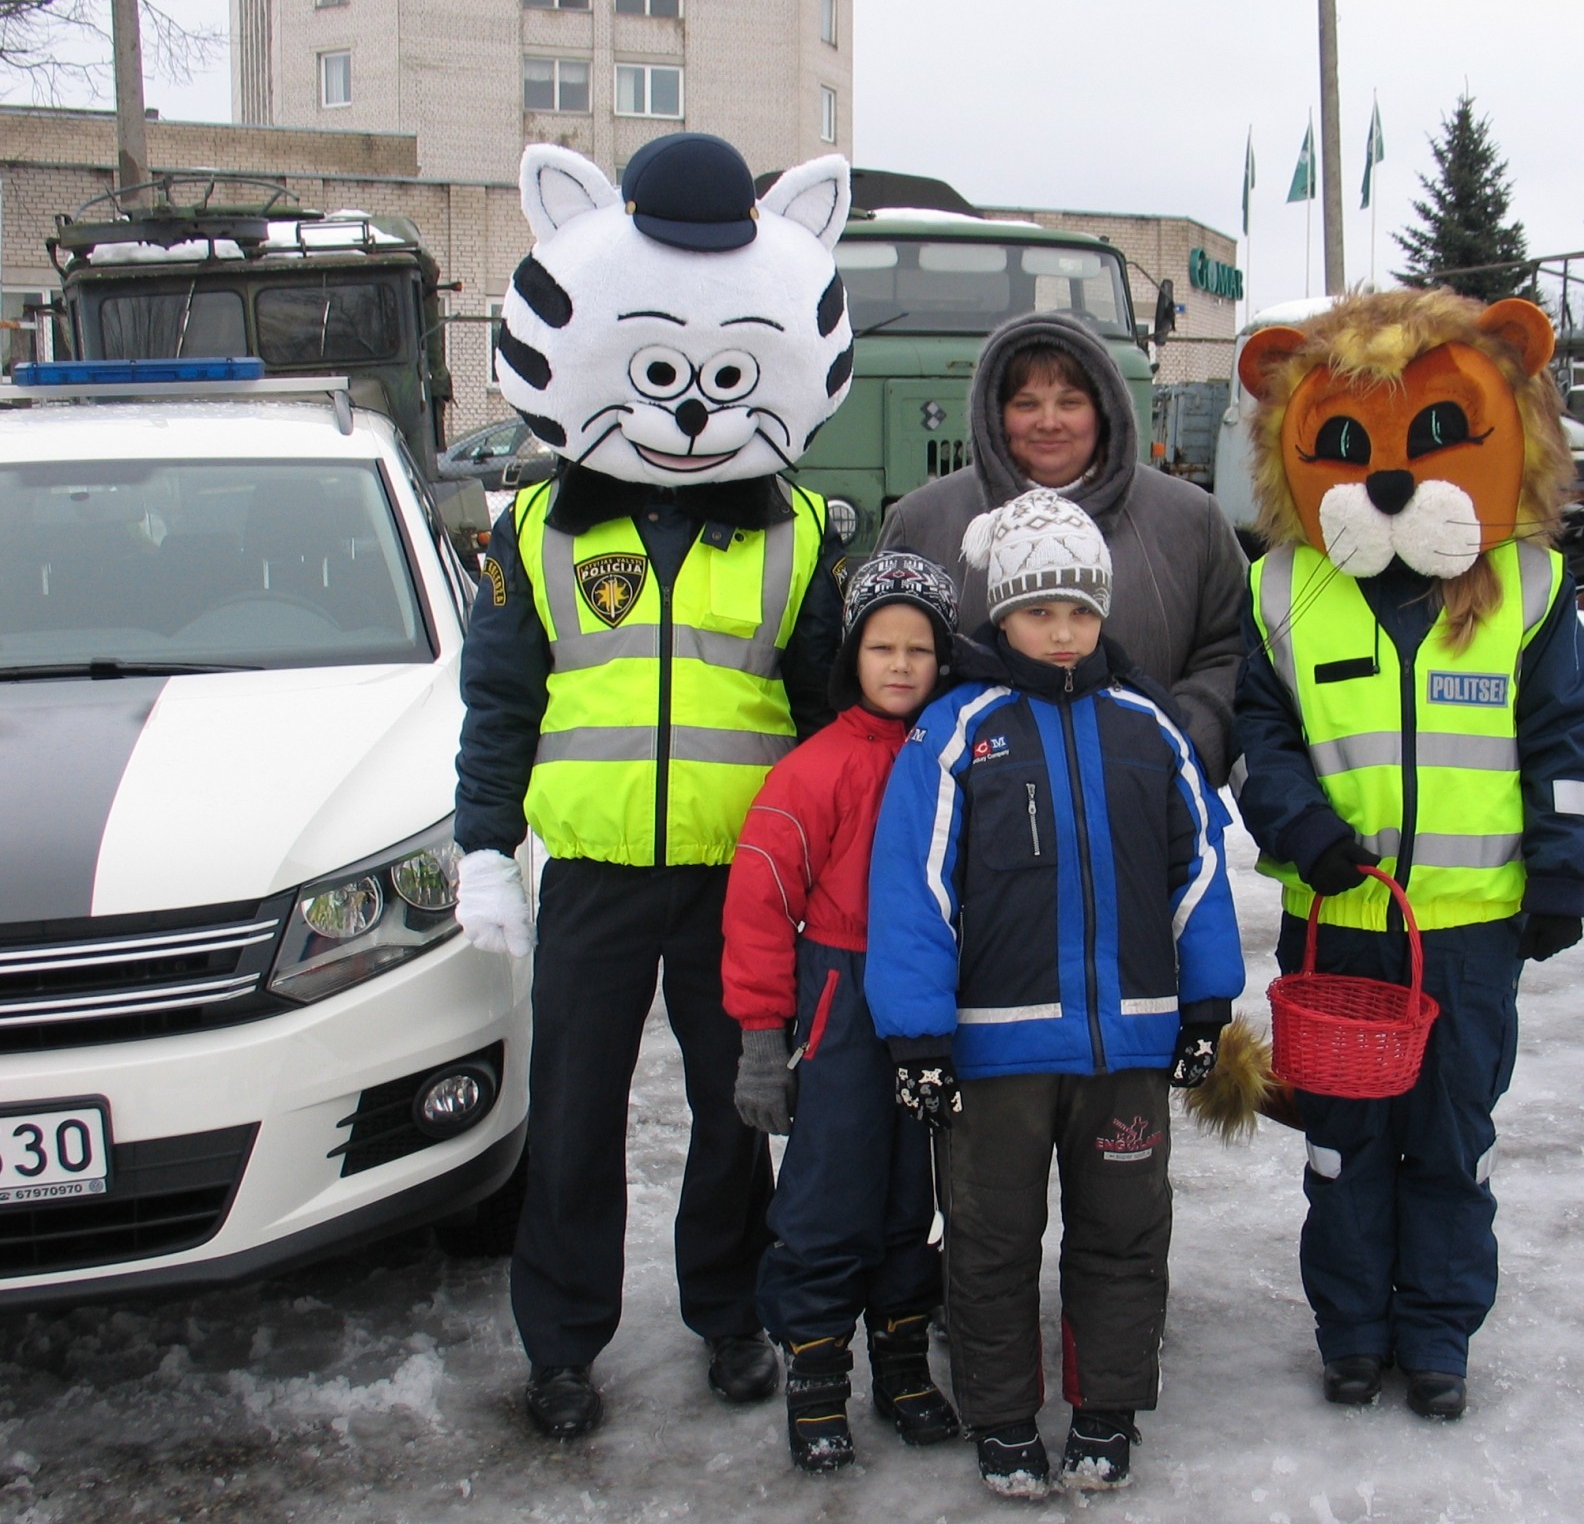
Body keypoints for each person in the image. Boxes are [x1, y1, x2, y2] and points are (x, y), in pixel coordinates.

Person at [453, 132, 855, 1439]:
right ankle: (563, 1346)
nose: (687, 407)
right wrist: (480, 852)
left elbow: (829, 720)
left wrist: (831, 875)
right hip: (595, 886)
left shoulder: (794, 532)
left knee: (737, 1114)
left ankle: (728, 1316)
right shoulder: (532, 530)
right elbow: (502, 703)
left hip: (742, 890)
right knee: (569, 1122)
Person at [1231, 289, 1584, 1421]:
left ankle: (1436, 1332)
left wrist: (1561, 872)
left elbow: (1567, 743)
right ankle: (1350, 1329)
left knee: (1451, 1142)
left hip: (1467, 936)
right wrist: (1299, 829)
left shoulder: (1529, 593)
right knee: (1342, 1144)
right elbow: (1259, 739)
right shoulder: (1280, 593)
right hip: (1335, 930)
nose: (1387, 477)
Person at [867, 492, 1245, 1499]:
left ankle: (1106, 1411)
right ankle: (999, 1418)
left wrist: (1202, 1006)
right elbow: (914, 885)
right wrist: (916, 1037)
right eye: (1040, 612)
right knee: (990, 1243)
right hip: (991, 1057)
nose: (1063, 631)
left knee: (1122, 1233)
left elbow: (1197, 867)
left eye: (1080, 611)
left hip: (1124, 1048)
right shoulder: (956, 730)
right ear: (1001, 617)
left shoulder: (1147, 729)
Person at [720, 552, 964, 1474]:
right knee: (829, 1193)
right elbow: (758, 904)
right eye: (881, 647)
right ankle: (816, 1371)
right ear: (852, 656)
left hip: (935, 1004)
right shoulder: (813, 770)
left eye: (919, 650)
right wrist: (759, 1034)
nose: (900, 666)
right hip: (842, 1002)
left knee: (915, 1197)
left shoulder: (958, 755)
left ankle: (901, 1362)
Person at [877, 311, 1247, 784]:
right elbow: (877, 663)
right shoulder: (922, 521)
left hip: (1146, 803)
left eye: (1070, 402)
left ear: (1103, 409)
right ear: (996, 414)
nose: (1048, 422)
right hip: (971, 820)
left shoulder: (1192, 519)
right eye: (1026, 403)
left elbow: (1234, 651)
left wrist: (1183, 742)